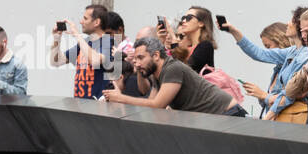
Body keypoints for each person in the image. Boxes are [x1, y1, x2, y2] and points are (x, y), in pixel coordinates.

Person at [101, 37, 244, 116]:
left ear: (156, 55)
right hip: (214, 117)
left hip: (228, 114)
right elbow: (151, 104)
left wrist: (120, 98)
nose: (136, 63)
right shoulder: (157, 72)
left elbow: (158, 105)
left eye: (140, 58)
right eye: (135, 59)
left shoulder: (172, 68)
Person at [224, 12, 308, 116]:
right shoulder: (289, 55)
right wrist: (234, 32)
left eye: (268, 46)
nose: (288, 23)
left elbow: (289, 96)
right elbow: (259, 53)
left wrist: (263, 95)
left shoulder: (302, 57)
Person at [50, 3, 112, 99]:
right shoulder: (85, 43)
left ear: (96, 22)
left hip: (98, 108)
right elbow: (56, 62)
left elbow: (95, 60)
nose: (81, 22)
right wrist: (56, 38)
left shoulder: (109, 41)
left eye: (85, 19)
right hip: (80, 106)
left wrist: (77, 35)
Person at [158, 5, 216, 73]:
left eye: (189, 18)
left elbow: (184, 70)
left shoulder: (205, 46)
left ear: (201, 23)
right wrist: (161, 42)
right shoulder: (186, 49)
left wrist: (172, 36)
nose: (184, 21)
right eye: (183, 18)